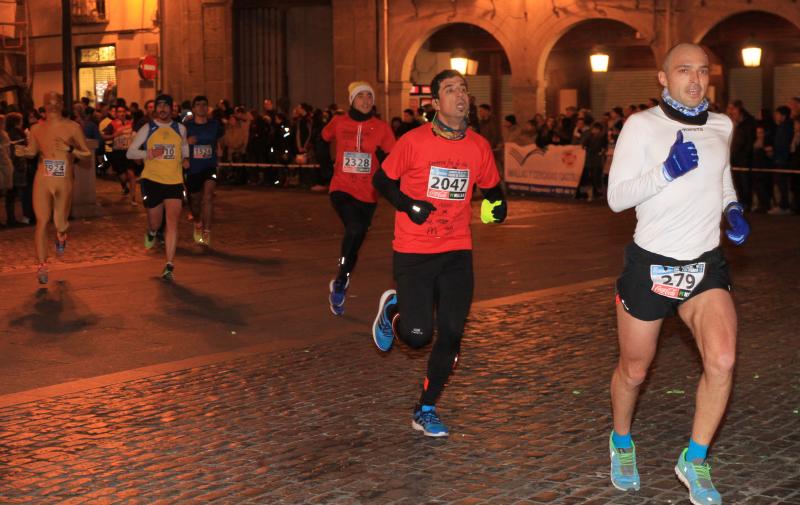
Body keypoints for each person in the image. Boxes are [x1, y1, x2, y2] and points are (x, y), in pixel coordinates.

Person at [606, 43, 750, 505]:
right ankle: (621, 441)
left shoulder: (722, 125)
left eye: (702, 71)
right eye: (684, 70)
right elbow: (616, 197)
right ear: (663, 78)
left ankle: (695, 458)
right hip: (651, 263)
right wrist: (666, 171)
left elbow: (721, 175)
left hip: (704, 264)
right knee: (634, 370)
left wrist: (732, 207)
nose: (695, 79)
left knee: (722, 360)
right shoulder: (641, 125)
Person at [370, 69, 507, 437]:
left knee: (451, 333)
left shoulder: (478, 146)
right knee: (417, 335)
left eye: (463, 89)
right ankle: (393, 310)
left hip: (457, 251)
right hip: (414, 249)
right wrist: (408, 204)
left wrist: (496, 207)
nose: (460, 95)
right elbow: (381, 179)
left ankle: (426, 408)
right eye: (450, 90)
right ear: (435, 102)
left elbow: (493, 191)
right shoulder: (413, 141)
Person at [322, 81, 396, 315]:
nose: (366, 100)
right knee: (354, 228)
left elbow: (392, 158)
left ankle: (341, 279)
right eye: (361, 96)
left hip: (368, 193)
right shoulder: (339, 122)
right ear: (352, 100)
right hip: (341, 187)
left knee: (355, 240)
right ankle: (341, 281)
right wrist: (324, 167)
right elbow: (322, 138)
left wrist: (389, 176)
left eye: (369, 96)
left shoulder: (382, 128)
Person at [15, 92, 92, 284]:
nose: (53, 105)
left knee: (60, 223)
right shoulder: (36, 129)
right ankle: (42, 265)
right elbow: (32, 151)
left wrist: (70, 149)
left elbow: (87, 154)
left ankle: (61, 234)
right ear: (44, 106)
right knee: (42, 221)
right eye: (49, 102)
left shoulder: (72, 127)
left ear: (62, 104)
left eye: (57, 102)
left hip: (63, 178)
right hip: (43, 177)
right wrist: (23, 152)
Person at [126, 94, 190, 281]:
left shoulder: (180, 128)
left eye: (166, 106)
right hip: (152, 181)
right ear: (155, 109)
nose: (162, 109)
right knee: (155, 222)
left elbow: (184, 147)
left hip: (174, 181)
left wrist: (185, 158)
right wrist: (149, 153)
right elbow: (130, 153)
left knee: (172, 222)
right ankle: (152, 231)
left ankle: (169, 265)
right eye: (159, 106)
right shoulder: (148, 128)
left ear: (172, 109)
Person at [184, 96, 224, 246]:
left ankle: (207, 231)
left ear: (207, 108)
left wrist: (219, 151)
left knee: (208, 197)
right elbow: (177, 143)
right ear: (193, 109)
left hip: (209, 165)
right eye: (198, 105)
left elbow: (219, 140)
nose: (201, 107)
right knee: (195, 201)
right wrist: (186, 145)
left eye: (204, 105)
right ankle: (197, 221)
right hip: (193, 168)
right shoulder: (186, 126)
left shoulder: (215, 125)